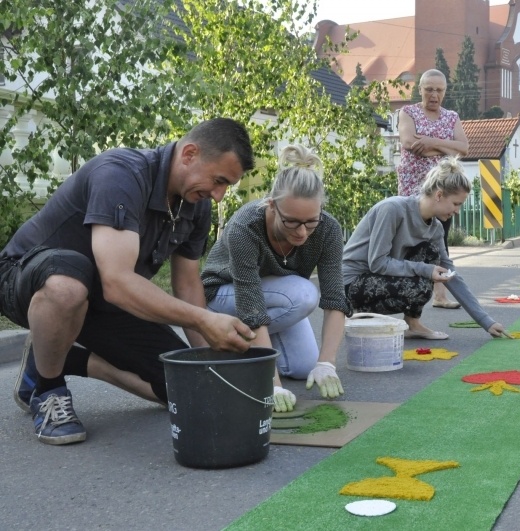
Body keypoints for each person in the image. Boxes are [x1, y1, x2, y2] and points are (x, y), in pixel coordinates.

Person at [2, 118, 256, 445]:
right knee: (69, 280)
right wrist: (206, 320)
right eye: (218, 180)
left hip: (100, 303)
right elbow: (118, 283)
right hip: (25, 280)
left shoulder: (197, 204)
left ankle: (59, 357)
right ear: (190, 154)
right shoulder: (122, 175)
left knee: (186, 390)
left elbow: (188, 285)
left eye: (227, 187)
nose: (219, 196)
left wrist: (209, 365)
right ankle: (48, 391)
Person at [201, 144, 351, 413]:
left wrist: (327, 363)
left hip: (276, 299)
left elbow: (335, 299)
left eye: (311, 221)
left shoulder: (328, 230)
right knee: (303, 294)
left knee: (306, 366)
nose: (303, 232)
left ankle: (238, 354)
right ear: (272, 205)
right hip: (223, 294)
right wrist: (270, 382)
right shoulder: (245, 227)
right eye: (292, 221)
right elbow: (251, 305)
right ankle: (230, 340)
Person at [342, 156, 509, 341]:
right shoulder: (392, 209)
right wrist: (426, 270)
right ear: (439, 195)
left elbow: (450, 274)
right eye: (456, 204)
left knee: (431, 253)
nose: (457, 211)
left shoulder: (435, 228)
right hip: (351, 283)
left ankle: (412, 325)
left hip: (377, 278)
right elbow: (377, 263)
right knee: (421, 286)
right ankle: (361, 313)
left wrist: (486, 321)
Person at [397, 68, 469, 310]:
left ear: (445, 92)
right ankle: (403, 292)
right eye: (429, 89)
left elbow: (464, 148)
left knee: (441, 241)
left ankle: (439, 295)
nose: (434, 95)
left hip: (443, 192)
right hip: (412, 191)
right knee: (409, 242)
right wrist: (447, 148)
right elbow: (409, 143)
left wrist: (431, 142)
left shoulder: (451, 117)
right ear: (420, 90)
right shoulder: (408, 112)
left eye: (439, 90)